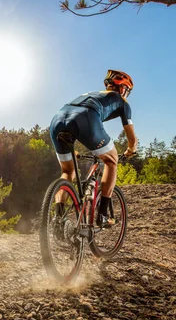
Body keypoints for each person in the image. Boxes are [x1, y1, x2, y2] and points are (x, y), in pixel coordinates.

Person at [49, 69, 138, 228]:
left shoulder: (92, 94)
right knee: (111, 160)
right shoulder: (122, 102)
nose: (125, 94)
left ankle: (58, 218)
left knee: (68, 171)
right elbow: (131, 137)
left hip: (57, 119)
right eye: (126, 90)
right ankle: (103, 215)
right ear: (122, 88)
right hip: (86, 117)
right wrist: (131, 149)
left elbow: (72, 117)